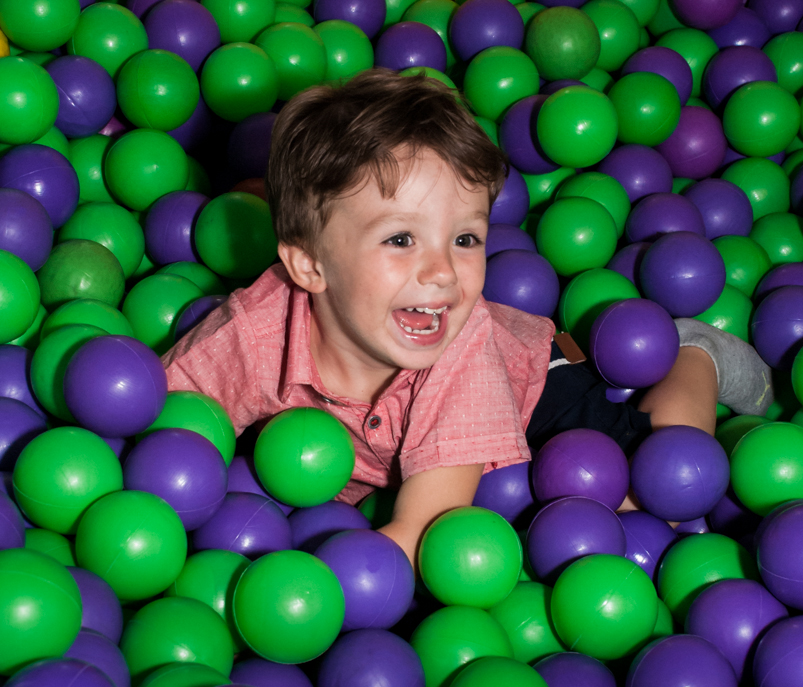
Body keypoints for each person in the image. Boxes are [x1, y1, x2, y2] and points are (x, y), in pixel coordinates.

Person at [163, 69, 772, 566]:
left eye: (465, 239)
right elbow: (159, 420)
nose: (443, 273)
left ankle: (695, 354)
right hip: (403, 452)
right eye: (401, 239)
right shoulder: (251, 333)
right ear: (309, 264)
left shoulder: (462, 346)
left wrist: (311, 592)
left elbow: (426, 531)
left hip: (538, 387)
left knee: (663, 491)